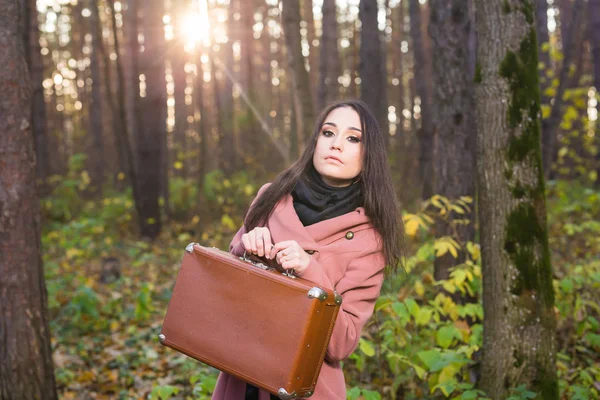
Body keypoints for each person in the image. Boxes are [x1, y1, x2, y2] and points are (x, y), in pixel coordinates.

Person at [211, 99, 404, 400]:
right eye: (328, 133)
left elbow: (342, 343)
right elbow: (222, 291)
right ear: (315, 141)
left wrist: (310, 271)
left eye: (352, 138)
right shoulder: (271, 197)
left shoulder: (370, 240)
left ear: (369, 156)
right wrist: (245, 249)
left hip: (306, 390)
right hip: (242, 380)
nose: (336, 145)